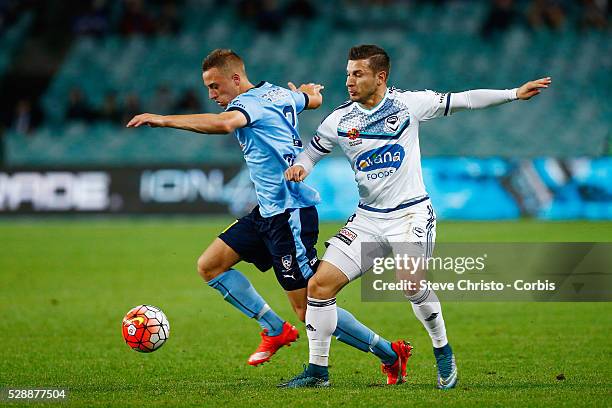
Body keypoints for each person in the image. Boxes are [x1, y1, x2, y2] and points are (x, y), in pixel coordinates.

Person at [281, 44, 552, 389]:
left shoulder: (409, 104)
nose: (349, 80)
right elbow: (311, 153)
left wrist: (514, 93)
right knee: (319, 286)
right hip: (367, 219)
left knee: (410, 283)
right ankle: (318, 372)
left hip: (410, 214)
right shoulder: (339, 120)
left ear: (380, 77)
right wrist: (301, 167)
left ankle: (442, 350)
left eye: (358, 73)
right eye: (348, 73)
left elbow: (465, 99)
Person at [126, 49, 407, 372]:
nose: (212, 94)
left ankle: (388, 352)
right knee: (210, 265)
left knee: (308, 309)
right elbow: (309, 101)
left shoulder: (246, 106)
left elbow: (226, 124)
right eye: (207, 88)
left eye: (215, 87)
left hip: (291, 214)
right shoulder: (277, 93)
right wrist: (310, 93)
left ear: (235, 78)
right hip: (268, 211)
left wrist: (163, 119)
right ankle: (274, 328)